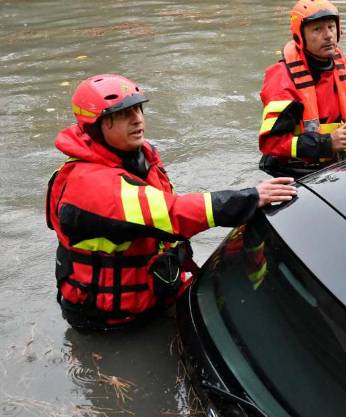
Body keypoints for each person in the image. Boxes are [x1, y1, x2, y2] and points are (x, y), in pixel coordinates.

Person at [46, 74, 297, 331]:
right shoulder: (88, 184)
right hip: (112, 320)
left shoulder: (135, 157)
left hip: (152, 292)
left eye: (138, 109)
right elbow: (173, 214)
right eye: (123, 114)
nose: (137, 120)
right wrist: (249, 198)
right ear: (95, 125)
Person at [258, 0, 346, 178]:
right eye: (317, 29)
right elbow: (271, 143)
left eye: (331, 26)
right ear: (300, 35)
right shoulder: (282, 78)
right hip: (295, 171)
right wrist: (326, 144)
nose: (328, 35)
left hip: (337, 162)